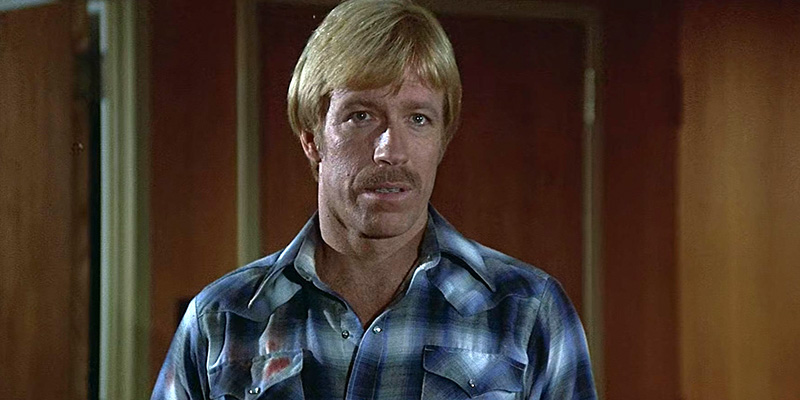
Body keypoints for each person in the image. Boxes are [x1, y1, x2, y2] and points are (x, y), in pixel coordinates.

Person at [151, 0, 597, 398]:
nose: (391, 151)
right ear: (312, 139)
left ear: (442, 141)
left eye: (418, 118)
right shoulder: (222, 319)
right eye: (361, 115)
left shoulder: (527, 312)